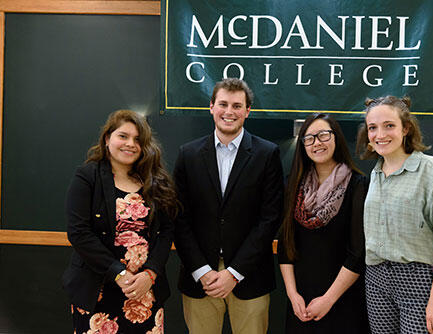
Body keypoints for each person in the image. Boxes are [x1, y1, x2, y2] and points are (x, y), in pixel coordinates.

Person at [173, 78, 284, 334]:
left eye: (237, 105)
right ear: (211, 107)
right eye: (223, 104)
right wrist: (202, 271)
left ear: (247, 111)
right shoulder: (188, 154)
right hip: (201, 279)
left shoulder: (267, 154)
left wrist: (234, 273)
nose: (229, 111)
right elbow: (179, 217)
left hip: (249, 276)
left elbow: (270, 219)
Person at [62, 110, 179, 333]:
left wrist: (150, 273)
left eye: (138, 139)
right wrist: (119, 273)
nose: (130, 144)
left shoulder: (156, 181)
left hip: (145, 292)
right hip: (98, 292)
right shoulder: (87, 177)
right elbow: (79, 233)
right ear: (108, 139)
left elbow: (166, 231)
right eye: (123, 136)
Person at [356, 96, 433, 334]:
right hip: (376, 279)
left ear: (406, 128)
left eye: (389, 125)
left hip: (420, 281)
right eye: (373, 127)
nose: (379, 134)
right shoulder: (375, 175)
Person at [278, 113, 370, 333]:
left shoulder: (358, 185)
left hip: (342, 300)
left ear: (336, 138)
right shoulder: (293, 185)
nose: (316, 143)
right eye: (309, 138)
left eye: (323, 135)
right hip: (301, 302)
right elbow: (285, 245)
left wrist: (329, 299)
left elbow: (358, 252)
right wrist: (293, 295)